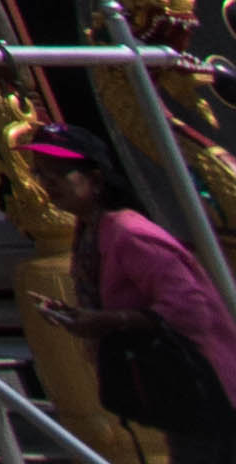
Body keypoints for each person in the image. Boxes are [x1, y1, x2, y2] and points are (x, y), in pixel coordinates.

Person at [29, 129, 236, 464]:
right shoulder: (91, 231)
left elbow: (189, 309)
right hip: (180, 393)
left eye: (59, 173)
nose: (48, 183)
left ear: (94, 179)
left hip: (209, 387)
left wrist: (109, 320)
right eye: (41, 173)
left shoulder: (129, 233)